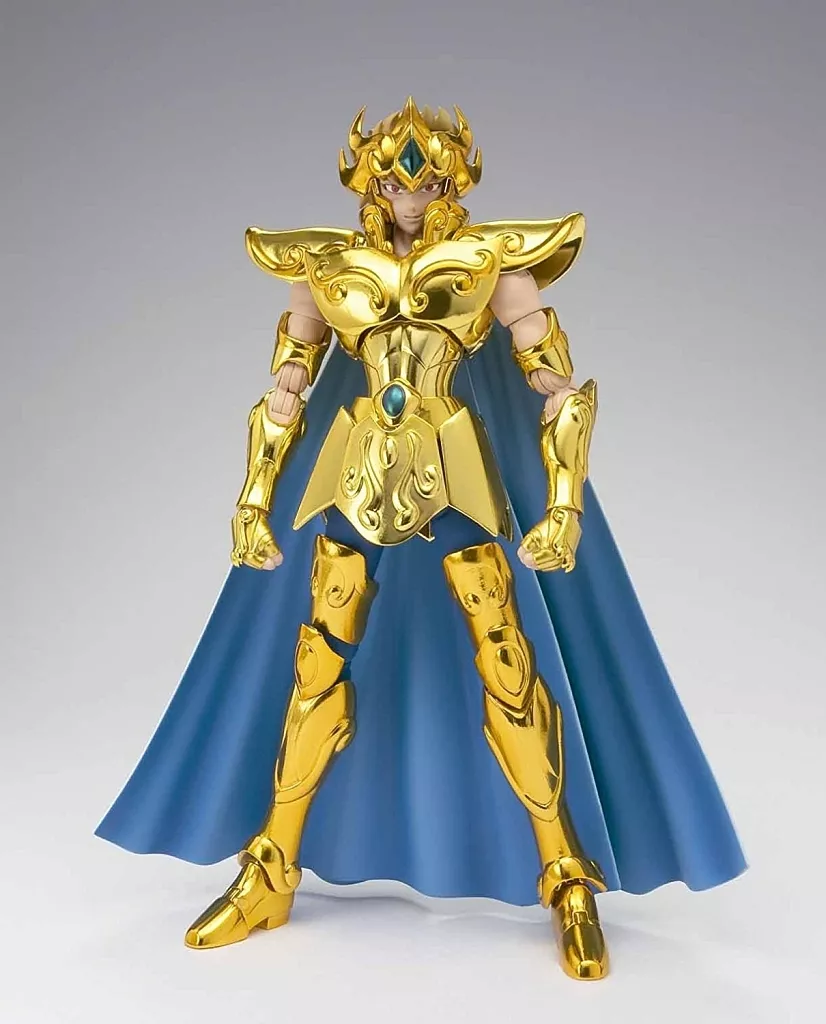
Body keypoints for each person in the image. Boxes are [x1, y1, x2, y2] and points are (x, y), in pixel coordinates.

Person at [96, 98, 746, 981]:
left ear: (451, 184)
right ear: (369, 184)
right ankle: (271, 868)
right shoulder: (329, 269)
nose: (410, 197)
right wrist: (253, 499)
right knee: (316, 659)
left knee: (505, 655)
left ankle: (565, 872)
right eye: (396, 182)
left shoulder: (489, 266)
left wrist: (563, 501)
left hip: (456, 465)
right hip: (357, 468)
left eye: (427, 181)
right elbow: (284, 391)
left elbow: (555, 386)